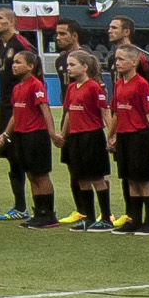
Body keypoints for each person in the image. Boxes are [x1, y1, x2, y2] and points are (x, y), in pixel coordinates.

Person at [54, 40, 111, 230]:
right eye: (68, 65)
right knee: (82, 178)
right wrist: (63, 134)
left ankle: (106, 218)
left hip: (92, 136)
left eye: (72, 65)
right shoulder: (71, 88)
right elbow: (69, 112)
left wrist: (112, 136)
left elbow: (104, 112)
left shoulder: (94, 87)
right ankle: (89, 217)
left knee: (96, 177)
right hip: (75, 137)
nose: (68, 68)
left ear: (85, 67)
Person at [110, 49, 149, 233]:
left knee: (145, 179)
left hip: (139, 135)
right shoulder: (118, 84)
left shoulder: (141, 84)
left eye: (122, 59)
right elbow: (116, 113)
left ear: (134, 62)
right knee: (130, 179)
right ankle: (135, 219)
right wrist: (112, 135)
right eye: (116, 59)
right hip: (123, 136)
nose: (117, 62)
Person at [4, 49, 57, 227]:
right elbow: (15, 113)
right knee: (30, 175)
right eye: (14, 62)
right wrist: (5, 134)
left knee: (41, 174)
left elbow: (44, 108)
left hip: (36, 135)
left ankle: (48, 213)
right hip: (21, 135)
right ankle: (38, 211)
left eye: (19, 62)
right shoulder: (17, 87)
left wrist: (51, 132)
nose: (14, 65)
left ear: (30, 66)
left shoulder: (36, 85)